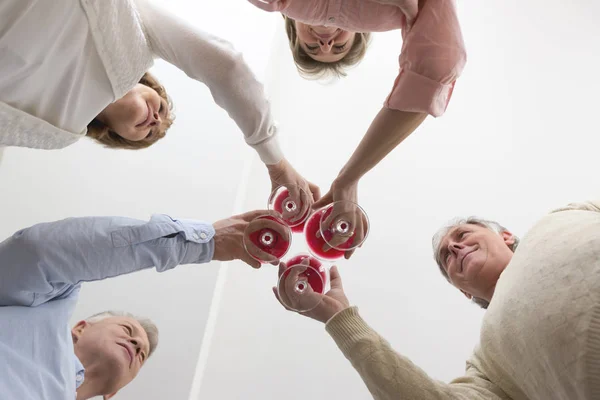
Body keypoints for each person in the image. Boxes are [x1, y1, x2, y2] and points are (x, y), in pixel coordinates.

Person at [275, 198, 600, 400]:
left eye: (462, 235)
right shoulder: (489, 363)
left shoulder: (562, 216)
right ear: (464, 291)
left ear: (505, 236)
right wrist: (342, 319)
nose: (455, 248)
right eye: (446, 257)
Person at [0, 0, 318, 202]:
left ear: (117, 136)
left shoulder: (55, 133)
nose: (155, 121)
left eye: (149, 133)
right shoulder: (133, 39)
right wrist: (277, 163)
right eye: (163, 110)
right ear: (151, 86)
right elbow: (226, 66)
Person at [0, 209, 286, 399]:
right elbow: (37, 251)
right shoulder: (42, 306)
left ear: (116, 391)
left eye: (141, 355)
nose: (137, 345)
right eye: (127, 330)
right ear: (80, 328)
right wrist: (202, 244)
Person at [248, 0, 467, 244]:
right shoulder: (393, 15)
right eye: (339, 47)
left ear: (293, 29)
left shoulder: (280, 4)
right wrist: (348, 179)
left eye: (312, 48)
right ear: (359, 29)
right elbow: (433, 73)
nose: (326, 43)